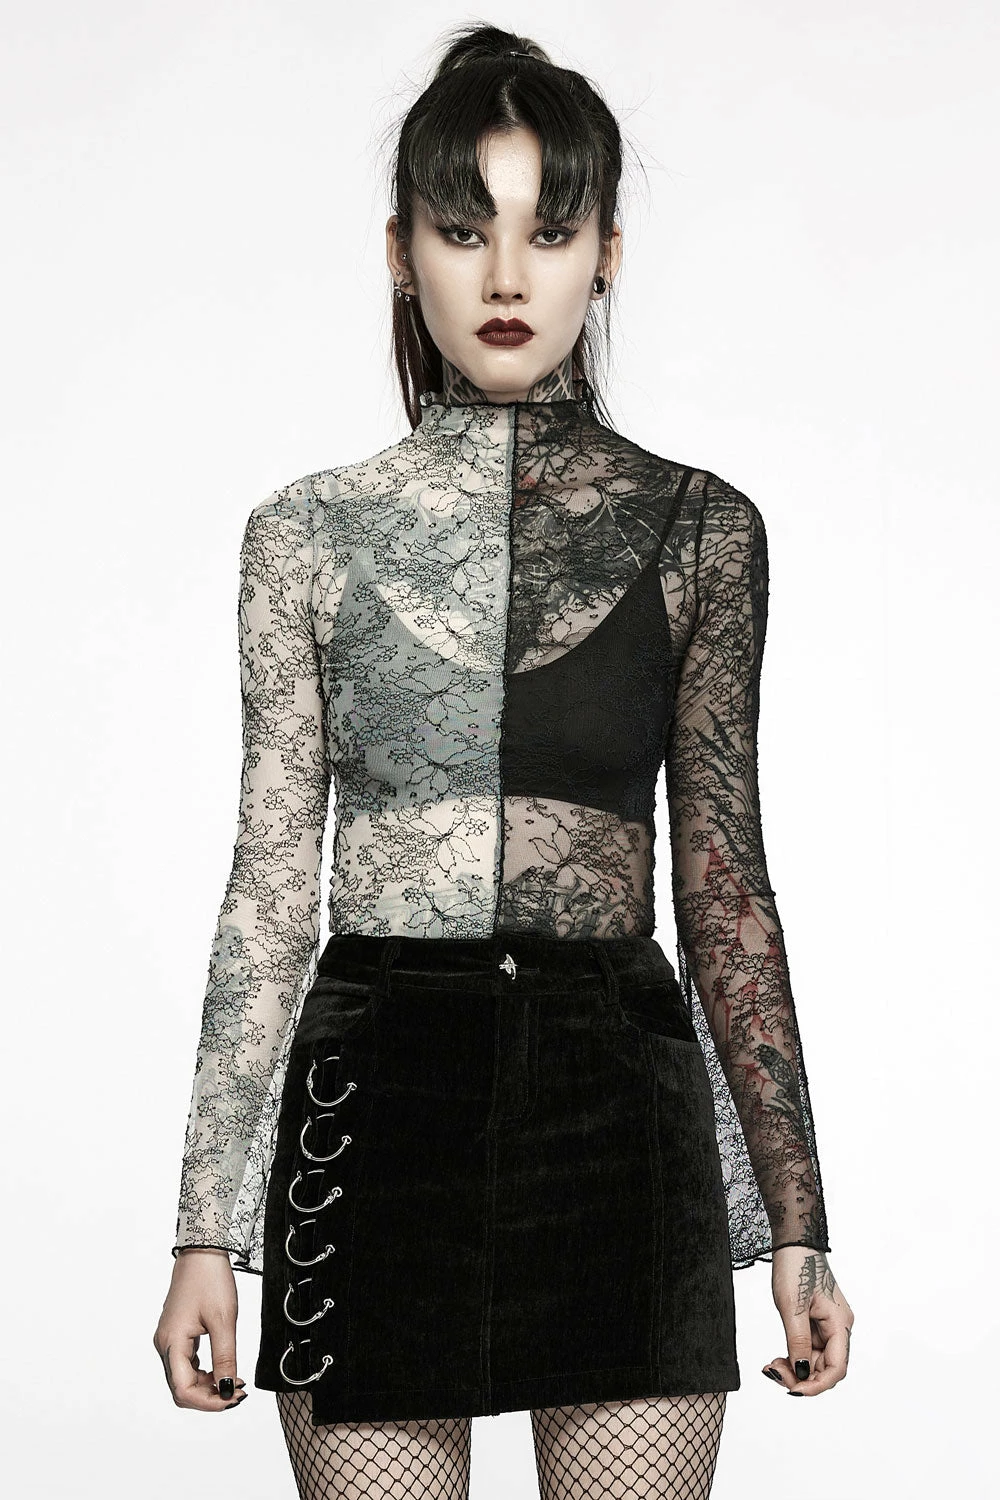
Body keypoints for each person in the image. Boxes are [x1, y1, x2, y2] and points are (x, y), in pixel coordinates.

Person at [154, 21, 854, 1500]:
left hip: (619, 1113)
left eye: (551, 229)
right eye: (465, 230)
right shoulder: (305, 537)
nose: (508, 277)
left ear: (608, 254)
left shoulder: (702, 531)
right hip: (376, 1113)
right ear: (399, 251)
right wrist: (204, 1226)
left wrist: (798, 1220)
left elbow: (726, 887)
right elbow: (271, 885)